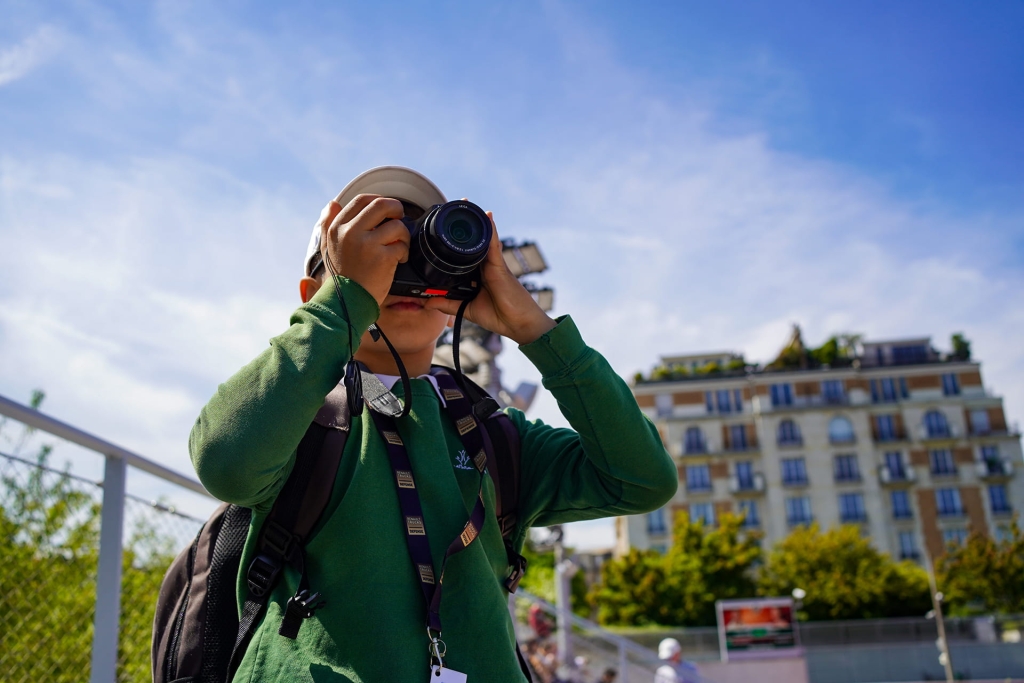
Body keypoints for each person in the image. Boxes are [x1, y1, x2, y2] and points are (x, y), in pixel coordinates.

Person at [190, 166, 677, 682]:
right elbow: (226, 462)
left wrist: (538, 332)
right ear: (315, 291)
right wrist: (343, 306)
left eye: (415, 254)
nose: (400, 268)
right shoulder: (294, 417)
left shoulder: (495, 436)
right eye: (371, 252)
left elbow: (642, 479)